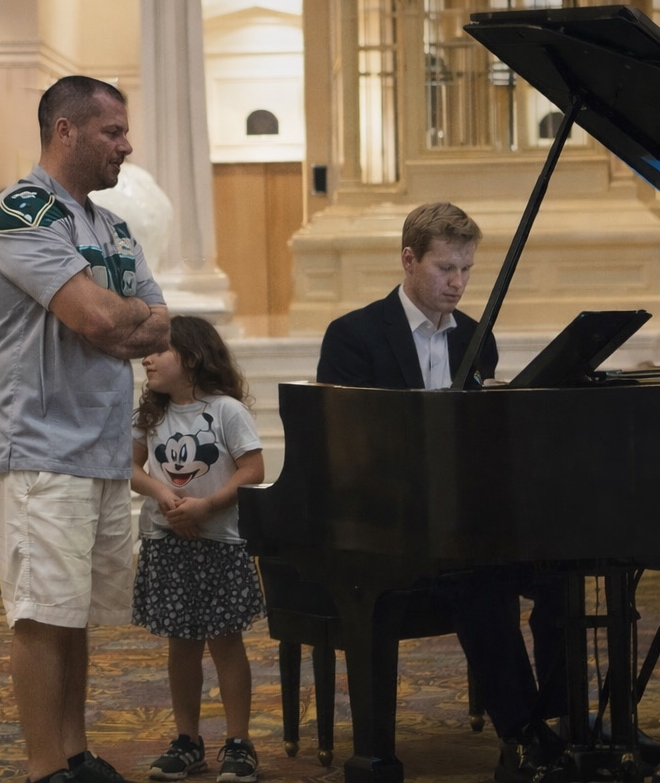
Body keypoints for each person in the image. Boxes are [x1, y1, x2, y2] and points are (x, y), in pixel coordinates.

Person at [317, 201, 566, 783]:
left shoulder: (478, 338)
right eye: (445, 269)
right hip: (384, 526)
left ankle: (559, 723)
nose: (457, 283)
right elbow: (344, 450)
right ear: (409, 259)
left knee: (564, 578)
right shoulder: (354, 337)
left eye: (466, 270)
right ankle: (523, 735)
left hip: (467, 522)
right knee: (477, 582)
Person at [0, 75, 170, 783]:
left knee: (76, 611)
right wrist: (122, 320)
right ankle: (41, 768)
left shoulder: (111, 227)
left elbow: (158, 321)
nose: (126, 145)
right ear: (65, 131)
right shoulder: (23, 213)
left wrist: (123, 321)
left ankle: (75, 753)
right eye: (112, 132)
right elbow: (98, 320)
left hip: (99, 447)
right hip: (37, 445)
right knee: (41, 613)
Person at [132, 316, 265, 783]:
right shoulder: (151, 414)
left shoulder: (226, 410)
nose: (146, 358)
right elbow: (129, 467)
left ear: (190, 357)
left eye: (158, 350)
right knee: (182, 645)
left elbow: (252, 467)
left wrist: (207, 505)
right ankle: (187, 740)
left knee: (226, 642)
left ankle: (238, 742)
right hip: (168, 541)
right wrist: (162, 494)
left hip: (218, 541)